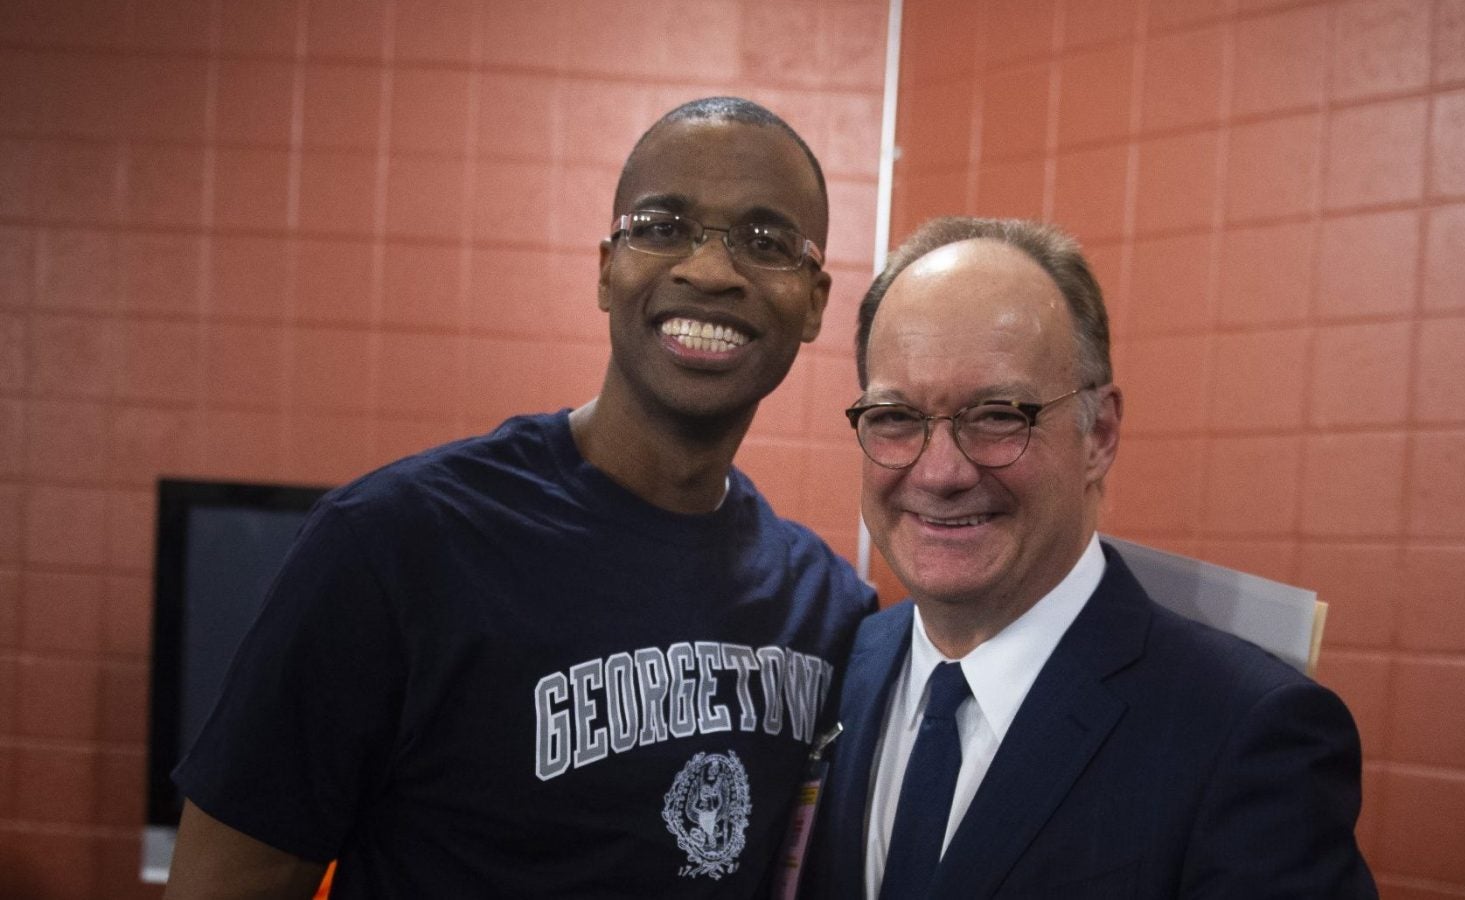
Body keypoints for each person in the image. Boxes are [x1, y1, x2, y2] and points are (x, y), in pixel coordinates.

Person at [163, 97, 876, 899]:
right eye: (662, 225)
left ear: (815, 301)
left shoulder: (830, 611)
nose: (709, 271)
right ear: (607, 267)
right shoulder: (393, 546)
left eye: (765, 241)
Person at [803, 217, 1377, 898]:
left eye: (996, 415)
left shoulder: (1249, 736)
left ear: (1099, 435)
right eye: (895, 417)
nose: (939, 473)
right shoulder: (843, 664)